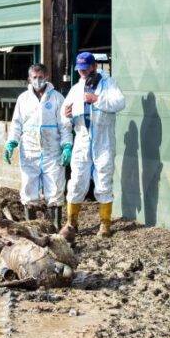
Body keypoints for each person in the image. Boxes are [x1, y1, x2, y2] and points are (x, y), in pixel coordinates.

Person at [62, 52, 125, 237]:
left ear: (94, 67)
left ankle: (105, 224)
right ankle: (71, 222)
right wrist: (66, 115)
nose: (82, 72)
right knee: (76, 182)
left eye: (85, 68)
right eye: (79, 69)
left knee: (104, 180)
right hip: (82, 139)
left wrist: (96, 100)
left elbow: (120, 102)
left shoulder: (109, 84)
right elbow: (64, 116)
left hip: (103, 140)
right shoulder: (76, 89)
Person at [4, 64, 72, 229]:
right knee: (29, 187)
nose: (38, 80)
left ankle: (56, 227)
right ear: (29, 78)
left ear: (47, 77)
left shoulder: (57, 98)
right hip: (30, 150)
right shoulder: (23, 99)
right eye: (34, 77)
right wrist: (11, 142)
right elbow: (17, 123)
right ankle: (31, 226)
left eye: (41, 77)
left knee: (55, 187)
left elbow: (64, 125)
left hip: (52, 150)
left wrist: (67, 145)